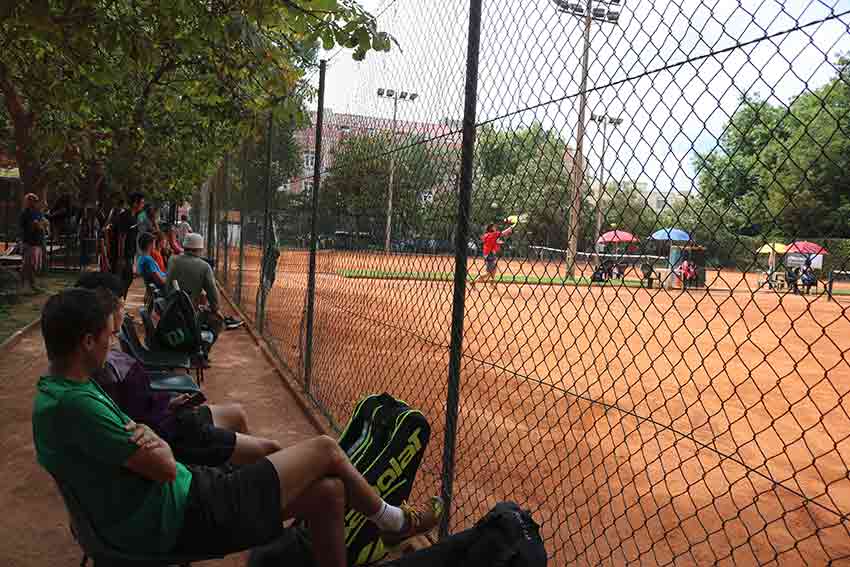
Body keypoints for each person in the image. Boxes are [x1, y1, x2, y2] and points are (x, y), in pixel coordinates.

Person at [33, 287, 443, 565]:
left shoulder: (58, 394)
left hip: (172, 506)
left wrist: (149, 437)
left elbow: (145, 445)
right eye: (107, 335)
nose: (112, 343)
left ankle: (387, 523)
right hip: (182, 515)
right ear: (87, 342)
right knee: (324, 450)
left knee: (329, 493)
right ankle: (393, 522)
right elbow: (163, 467)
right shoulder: (77, 405)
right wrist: (153, 438)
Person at [76, 271, 281, 466]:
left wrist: (169, 404)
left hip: (168, 416)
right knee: (270, 449)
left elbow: (137, 406)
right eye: (119, 303)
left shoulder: (101, 359)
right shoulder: (103, 367)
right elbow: (135, 426)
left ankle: (239, 473)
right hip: (171, 432)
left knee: (238, 414)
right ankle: (239, 479)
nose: (123, 307)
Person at [166, 233, 242, 330]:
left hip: (170, 306)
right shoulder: (204, 266)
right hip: (189, 311)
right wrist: (216, 309)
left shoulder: (172, 260)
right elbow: (213, 294)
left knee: (201, 296)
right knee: (215, 320)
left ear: (184, 246)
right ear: (199, 249)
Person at [113, 192, 145, 298]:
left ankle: (121, 305)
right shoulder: (125, 216)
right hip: (124, 256)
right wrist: (120, 258)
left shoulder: (133, 217)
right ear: (135, 203)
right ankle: (117, 306)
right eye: (142, 202)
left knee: (128, 279)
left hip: (129, 255)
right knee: (122, 281)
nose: (143, 205)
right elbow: (121, 238)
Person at [19, 193, 47, 294]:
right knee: (27, 265)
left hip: (37, 242)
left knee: (35, 266)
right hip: (28, 242)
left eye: (35, 200)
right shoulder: (25, 213)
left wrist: (40, 224)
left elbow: (43, 224)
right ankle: (23, 286)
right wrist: (36, 225)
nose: (33, 202)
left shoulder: (37, 212)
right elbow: (26, 227)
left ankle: (32, 285)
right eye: (31, 200)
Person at [474, 222, 514, 286]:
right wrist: (511, 227)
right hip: (490, 254)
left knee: (494, 269)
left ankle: (492, 283)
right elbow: (503, 233)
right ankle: (474, 281)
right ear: (491, 228)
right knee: (488, 273)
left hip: (488, 254)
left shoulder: (487, 234)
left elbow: (491, 242)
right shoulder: (494, 234)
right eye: (494, 227)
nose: (495, 228)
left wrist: (497, 242)